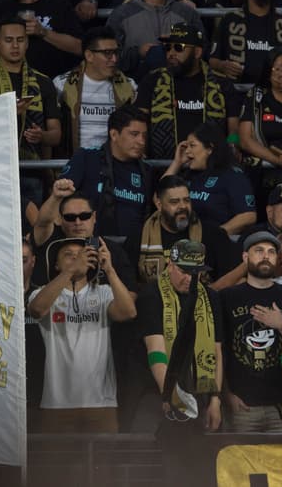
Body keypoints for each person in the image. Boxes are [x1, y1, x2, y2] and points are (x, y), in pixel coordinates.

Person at [28, 234, 138, 433]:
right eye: (68, 255)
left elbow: (129, 312)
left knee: (104, 454)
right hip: (56, 403)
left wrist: (109, 270)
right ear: (56, 265)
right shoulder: (42, 292)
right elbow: (37, 310)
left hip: (101, 402)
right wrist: (71, 270)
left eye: (81, 254)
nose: (76, 258)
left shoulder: (104, 292)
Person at [219, 231, 282, 432]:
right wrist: (226, 394)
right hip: (241, 405)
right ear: (245, 257)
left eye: (271, 252)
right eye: (259, 251)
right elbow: (218, 350)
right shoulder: (227, 298)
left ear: (278, 258)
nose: (266, 256)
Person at [138, 239, 225, 429]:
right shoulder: (151, 295)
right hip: (159, 393)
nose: (189, 279)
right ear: (170, 265)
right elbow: (156, 350)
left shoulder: (211, 297)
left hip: (200, 392)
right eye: (184, 272)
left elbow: (216, 352)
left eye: (196, 273)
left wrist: (215, 399)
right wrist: (169, 394)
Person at [133, 23, 237, 160]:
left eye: (179, 47)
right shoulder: (152, 80)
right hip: (163, 166)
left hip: (210, 165)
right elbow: (139, 121)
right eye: (167, 48)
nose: (171, 53)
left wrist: (233, 144)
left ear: (197, 52)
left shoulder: (222, 84)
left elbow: (234, 130)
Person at [0, 18, 61, 160]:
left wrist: (42, 136)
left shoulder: (43, 82)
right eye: (8, 40)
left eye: (20, 40)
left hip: (32, 166)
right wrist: (7, 114)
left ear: (27, 43)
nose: (15, 46)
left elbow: (56, 135)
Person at [59, 105, 153, 243]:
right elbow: (59, 201)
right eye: (134, 134)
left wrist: (176, 164)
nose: (141, 141)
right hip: (91, 247)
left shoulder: (146, 171)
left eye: (144, 135)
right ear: (114, 134)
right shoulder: (86, 159)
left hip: (132, 251)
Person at [106, 0, 203, 77]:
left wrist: (179, 45)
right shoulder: (122, 14)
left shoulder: (187, 12)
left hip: (179, 83)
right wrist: (138, 53)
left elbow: (202, 50)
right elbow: (108, 56)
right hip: (135, 84)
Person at [133, 174, 238, 285]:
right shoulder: (141, 236)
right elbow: (131, 286)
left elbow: (231, 280)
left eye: (186, 200)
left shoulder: (213, 235)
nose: (183, 206)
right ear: (159, 205)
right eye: (174, 202)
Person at [165, 123, 257, 236]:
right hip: (186, 240)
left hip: (217, 242)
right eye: (186, 146)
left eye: (192, 145)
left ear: (209, 149)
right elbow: (161, 196)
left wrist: (213, 235)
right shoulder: (189, 175)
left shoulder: (233, 176)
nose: (187, 151)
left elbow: (248, 216)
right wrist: (177, 163)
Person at [54, 28, 137, 152]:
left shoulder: (130, 87)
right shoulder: (61, 85)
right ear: (89, 56)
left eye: (116, 52)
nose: (114, 59)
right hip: (75, 161)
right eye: (107, 53)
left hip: (113, 161)